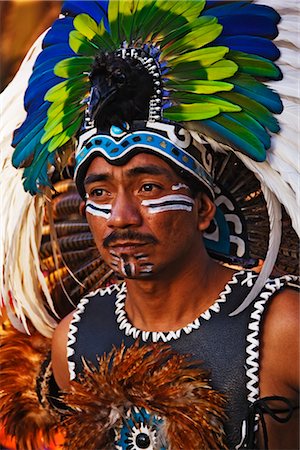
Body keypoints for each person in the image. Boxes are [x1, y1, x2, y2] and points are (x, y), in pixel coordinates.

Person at [0, 1, 299, 449]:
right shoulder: (75, 341)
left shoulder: (282, 328)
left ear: (203, 210)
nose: (121, 217)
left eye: (148, 188)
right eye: (100, 193)